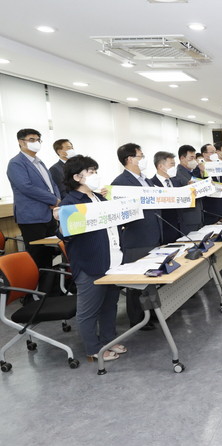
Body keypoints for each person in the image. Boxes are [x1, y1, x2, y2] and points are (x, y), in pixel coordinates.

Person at [58, 155, 124, 362]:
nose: (95, 175)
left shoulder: (98, 197)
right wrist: (61, 220)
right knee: (89, 310)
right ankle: (93, 349)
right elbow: (64, 234)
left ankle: (108, 339)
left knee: (109, 305)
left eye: (95, 171)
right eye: (91, 172)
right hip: (90, 264)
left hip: (111, 259)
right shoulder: (70, 202)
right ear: (77, 177)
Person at [111, 143, 162, 331]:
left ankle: (153, 312)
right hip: (136, 236)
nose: (143, 159)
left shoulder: (146, 180)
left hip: (153, 233)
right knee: (136, 282)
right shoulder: (120, 182)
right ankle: (137, 318)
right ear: (130, 159)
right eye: (141, 156)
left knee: (152, 278)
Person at [6, 129, 61, 289]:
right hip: (32, 217)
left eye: (38, 139)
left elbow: (52, 184)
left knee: (50, 254)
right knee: (37, 256)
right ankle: (34, 294)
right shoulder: (16, 163)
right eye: (32, 139)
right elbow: (26, 187)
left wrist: (57, 199)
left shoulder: (39, 162)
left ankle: (51, 290)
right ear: (21, 142)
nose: (36, 142)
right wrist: (53, 199)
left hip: (48, 215)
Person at [150, 151, 183, 244]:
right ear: (160, 166)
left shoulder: (176, 181)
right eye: (171, 164)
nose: (174, 168)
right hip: (163, 230)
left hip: (179, 228)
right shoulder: (151, 184)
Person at [173, 144, 204, 234]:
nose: (194, 161)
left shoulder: (192, 172)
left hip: (198, 215)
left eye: (195, 158)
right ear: (182, 158)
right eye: (191, 158)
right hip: (188, 217)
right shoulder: (178, 174)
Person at [195, 143, 222, 224]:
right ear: (204, 154)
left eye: (215, 152)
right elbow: (198, 184)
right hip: (209, 207)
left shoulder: (217, 166)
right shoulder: (198, 168)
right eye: (212, 152)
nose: (215, 154)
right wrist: (202, 172)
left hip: (221, 205)